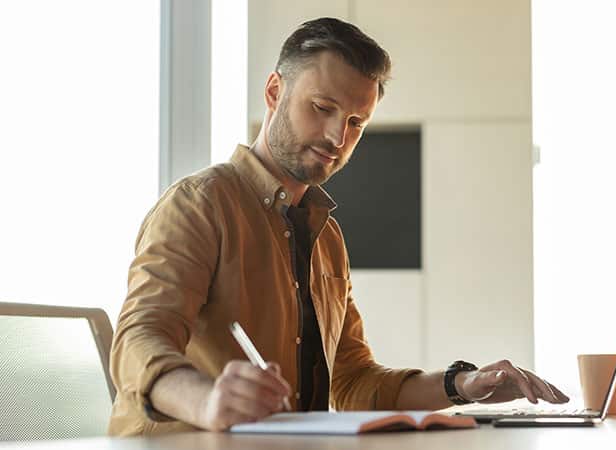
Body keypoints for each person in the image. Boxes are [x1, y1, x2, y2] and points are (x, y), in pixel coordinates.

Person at [107, 17, 569, 436]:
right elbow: (136, 340)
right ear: (274, 92)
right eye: (322, 108)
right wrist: (208, 402)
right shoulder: (199, 205)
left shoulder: (325, 235)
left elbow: (351, 381)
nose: (337, 137)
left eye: (355, 122)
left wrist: (464, 385)